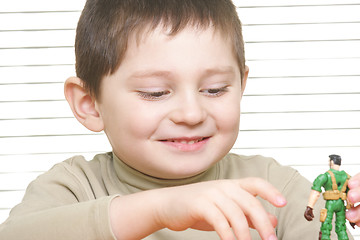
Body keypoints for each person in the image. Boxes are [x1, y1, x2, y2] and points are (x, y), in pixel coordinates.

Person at [0, 0, 359, 239]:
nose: (191, 114)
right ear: (90, 104)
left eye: (216, 89)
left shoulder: (271, 186)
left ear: (242, 84)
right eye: (155, 93)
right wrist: (159, 209)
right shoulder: (74, 187)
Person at [304, 155, 356, 240]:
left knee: (326, 226)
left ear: (331, 162)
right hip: (341, 205)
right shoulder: (347, 177)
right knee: (341, 227)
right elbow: (350, 197)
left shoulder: (325, 176)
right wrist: (352, 216)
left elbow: (316, 192)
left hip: (330, 204)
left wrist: (309, 207)